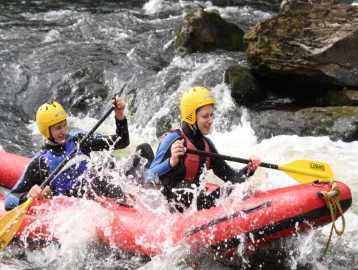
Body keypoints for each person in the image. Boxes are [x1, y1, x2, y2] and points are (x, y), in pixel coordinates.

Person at [4, 96, 132, 211]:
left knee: (111, 162)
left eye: (64, 125)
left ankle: (131, 198)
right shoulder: (40, 161)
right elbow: (10, 200)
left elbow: (121, 142)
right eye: (58, 128)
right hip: (79, 206)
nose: (64, 131)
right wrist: (28, 195)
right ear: (45, 131)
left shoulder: (79, 140)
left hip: (101, 190)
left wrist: (119, 116)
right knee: (94, 180)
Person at [146, 86, 261, 213]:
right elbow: (148, 177)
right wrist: (171, 161)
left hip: (196, 204)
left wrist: (249, 169)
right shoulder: (174, 139)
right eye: (205, 116)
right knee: (186, 189)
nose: (210, 121)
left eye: (211, 115)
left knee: (236, 186)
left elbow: (230, 176)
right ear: (191, 117)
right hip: (169, 203)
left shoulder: (206, 145)